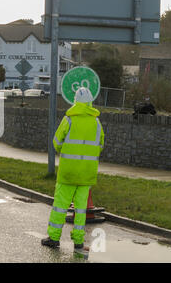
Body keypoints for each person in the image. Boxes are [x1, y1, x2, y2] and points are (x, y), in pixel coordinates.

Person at [41, 87, 105, 255]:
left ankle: (54, 238)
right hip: (86, 174)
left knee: (60, 207)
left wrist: (66, 151)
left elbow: (56, 141)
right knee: (81, 209)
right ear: (90, 102)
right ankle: (78, 242)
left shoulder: (69, 119)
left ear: (75, 102)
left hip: (68, 172)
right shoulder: (96, 122)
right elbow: (100, 146)